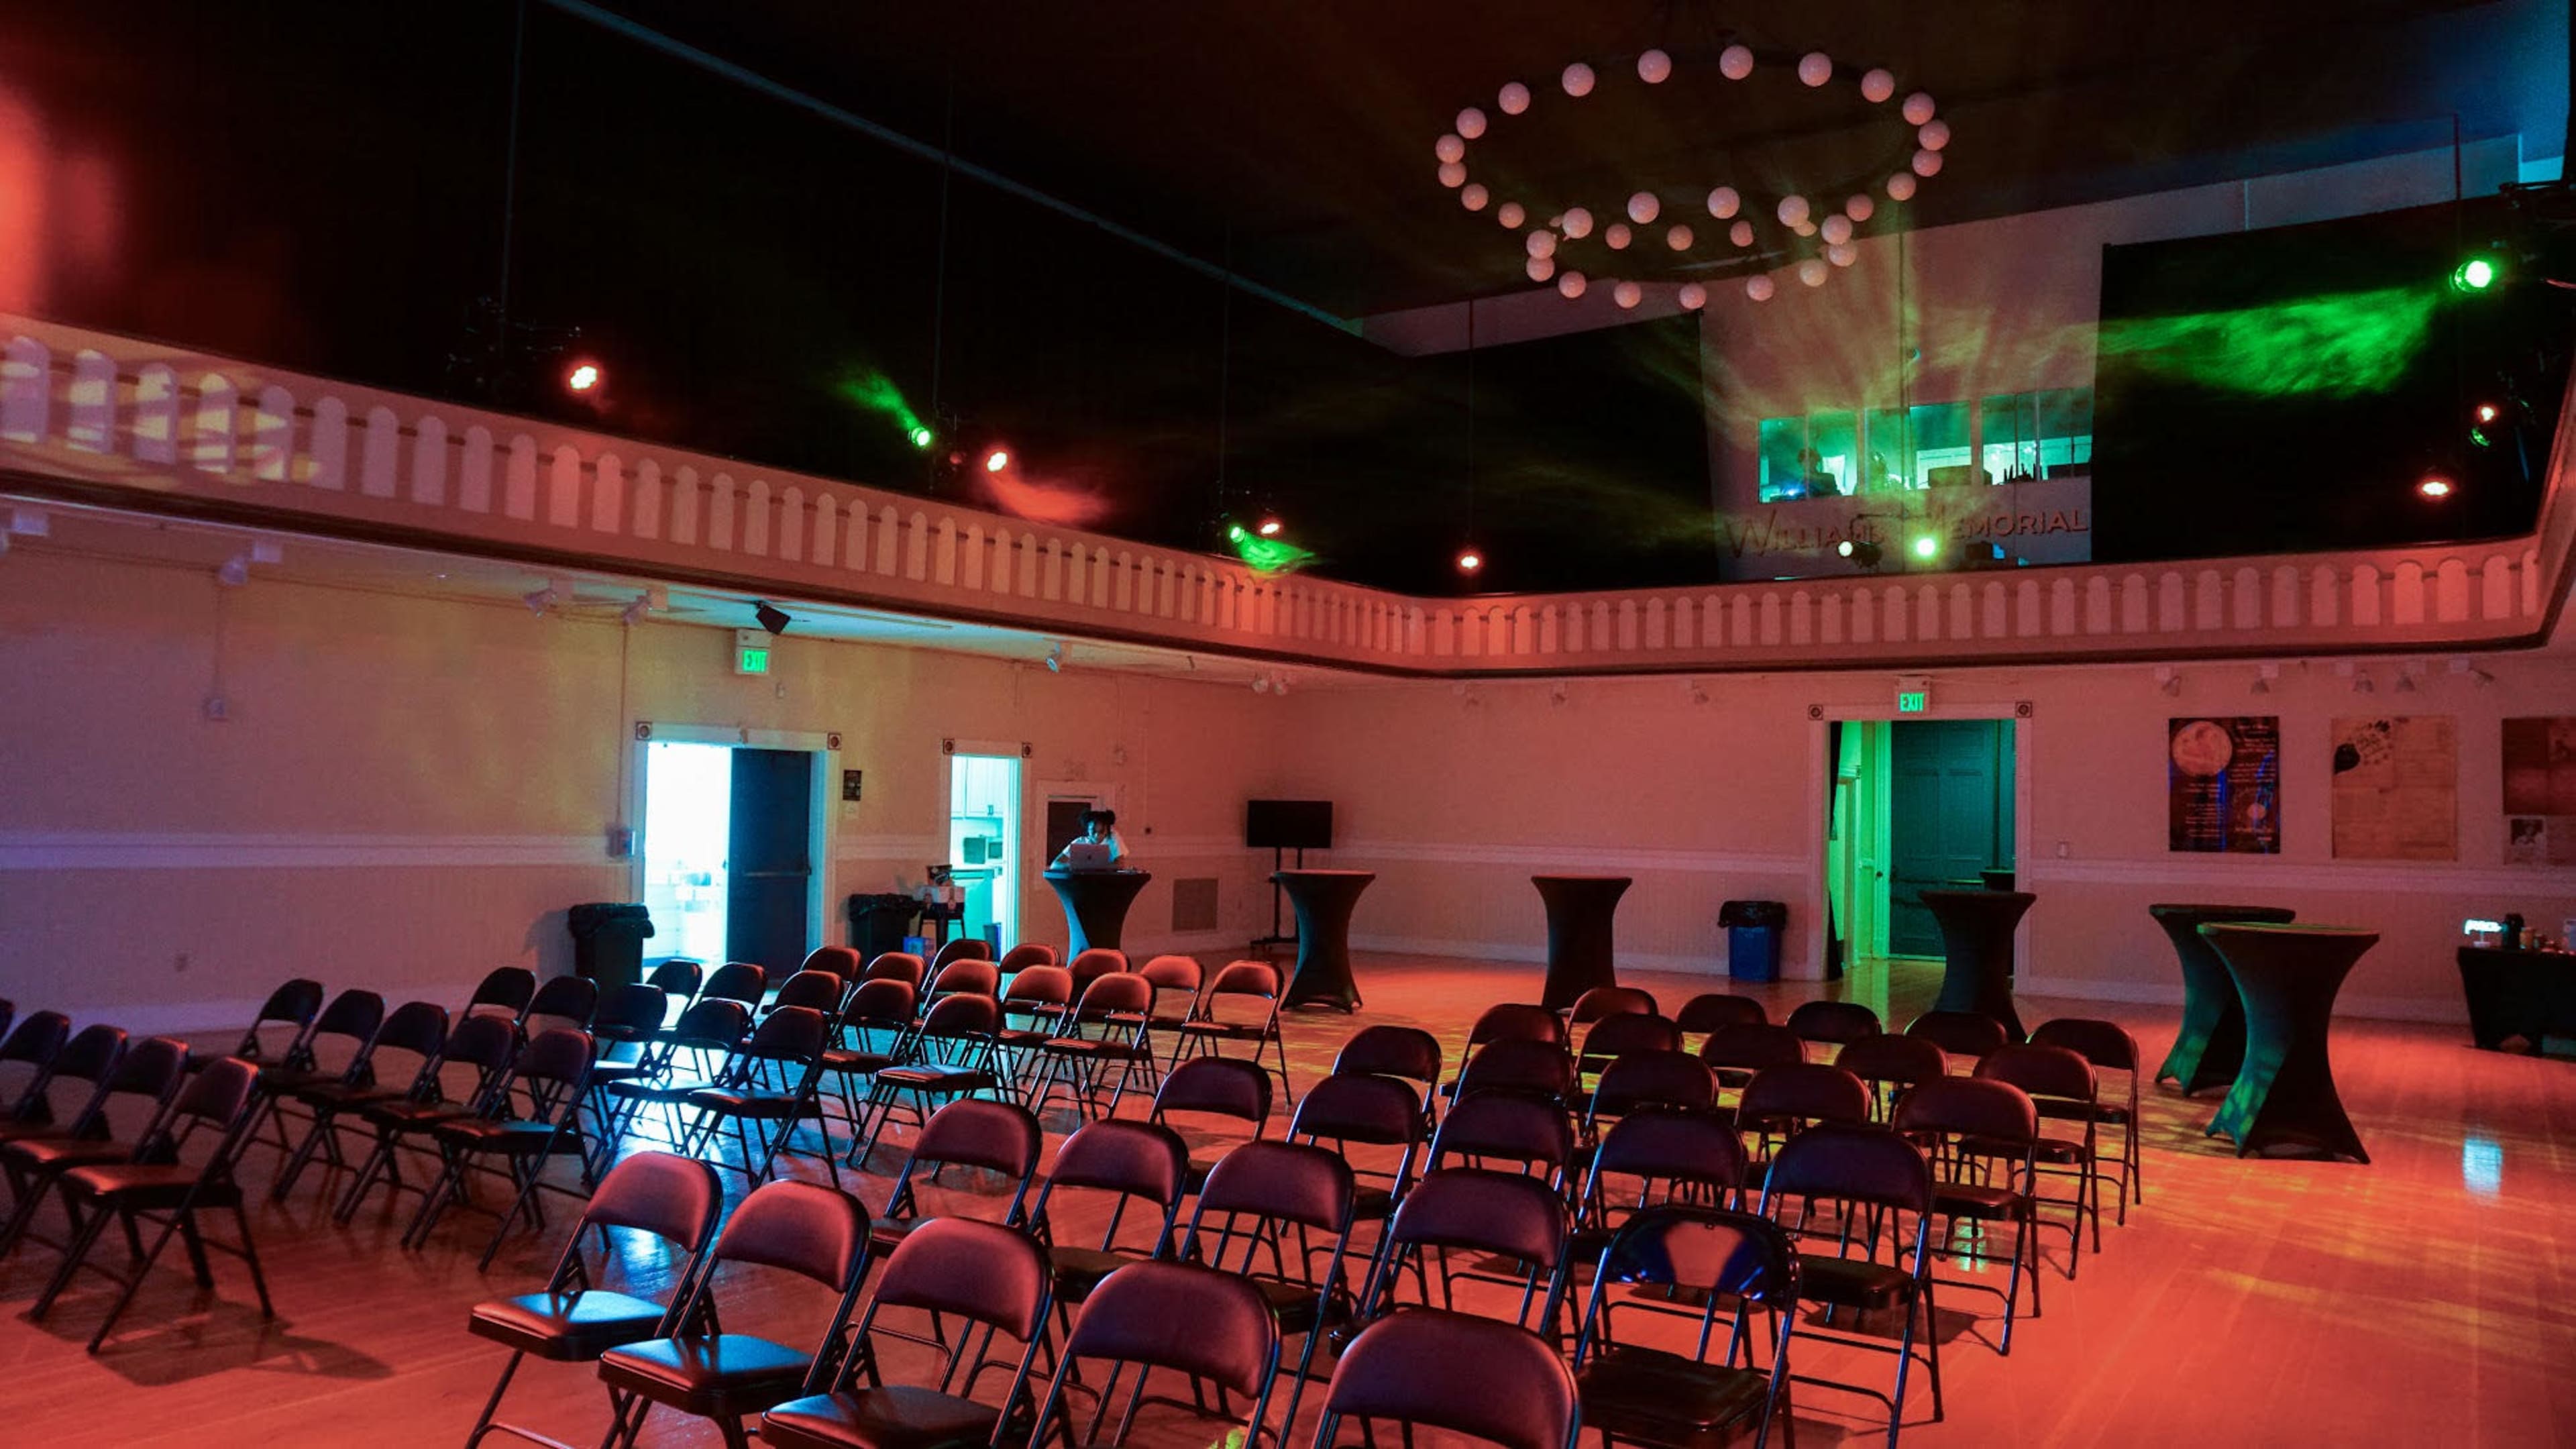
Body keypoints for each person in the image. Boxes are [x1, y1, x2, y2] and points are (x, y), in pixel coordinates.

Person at [1051, 809, 1130, 869]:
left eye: (1101, 831)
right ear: (1088, 829)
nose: (1097, 835)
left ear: (1107, 830)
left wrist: (1093, 867)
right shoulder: (1079, 842)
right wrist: (1074, 867)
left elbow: (1120, 865)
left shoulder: (1112, 839)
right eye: (1093, 831)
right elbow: (1055, 865)